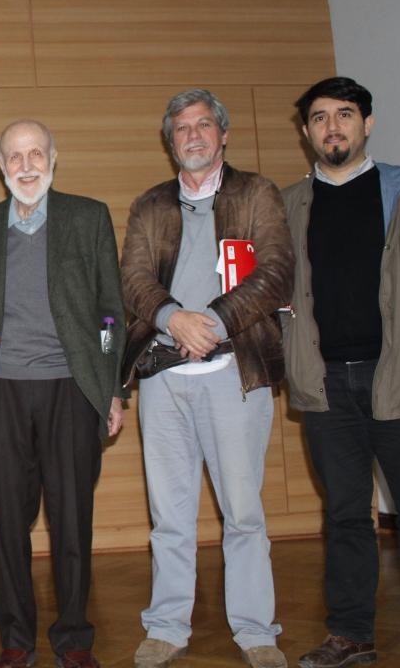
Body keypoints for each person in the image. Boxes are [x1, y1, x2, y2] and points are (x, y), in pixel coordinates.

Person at [282, 77, 400, 668]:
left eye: (344, 115)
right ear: (307, 132)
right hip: (325, 386)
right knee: (343, 516)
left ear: (367, 124)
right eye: (319, 118)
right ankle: (351, 636)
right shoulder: (289, 203)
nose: (332, 127)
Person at [120, 89, 293, 668]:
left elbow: (275, 274)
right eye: (180, 129)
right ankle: (166, 626)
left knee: (243, 511)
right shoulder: (150, 205)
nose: (191, 136)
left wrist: (212, 322)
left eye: (201, 126)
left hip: (235, 375)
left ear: (223, 135)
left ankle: (256, 632)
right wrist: (174, 319)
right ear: (170, 143)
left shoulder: (257, 193)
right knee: (168, 514)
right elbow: (134, 281)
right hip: (164, 377)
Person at [0, 118, 125, 668]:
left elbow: (109, 310)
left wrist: (109, 386)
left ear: (55, 158)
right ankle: (15, 638)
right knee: (6, 521)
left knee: (72, 519)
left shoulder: (88, 217)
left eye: (36, 153)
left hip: (72, 390)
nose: (26, 165)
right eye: (15, 156)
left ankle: (74, 638)